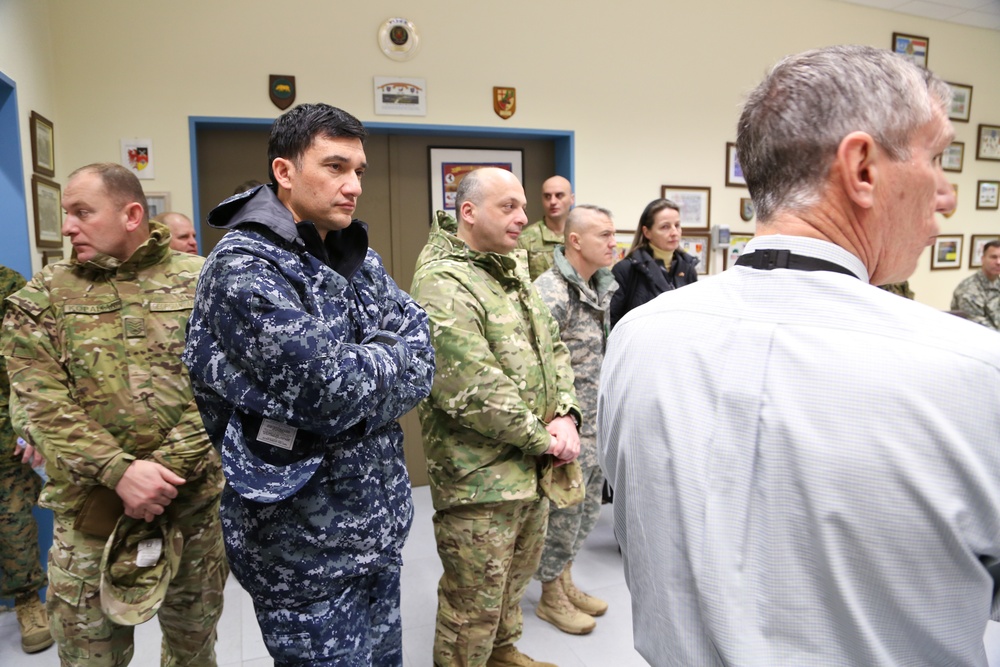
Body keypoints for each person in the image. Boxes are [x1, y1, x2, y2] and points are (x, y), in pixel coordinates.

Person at [598, 45, 1000, 667]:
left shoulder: (639, 339)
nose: (947, 196)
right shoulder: (976, 373)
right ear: (863, 168)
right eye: (937, 156)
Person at [183, 103, 435, 666]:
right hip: (302, 550)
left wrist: (368, 367)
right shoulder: (246, 267)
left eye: (360, 172)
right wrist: (381, 363)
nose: (353, 186)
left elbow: (424, 349)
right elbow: (333, 391)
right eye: (335, 167)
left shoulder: (350, 253)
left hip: (376, 529)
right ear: (285, 171)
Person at [1, 163, 226, 666]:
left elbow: (230, 388)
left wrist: (164, 470)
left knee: (194, 653)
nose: (68, 227)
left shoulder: (206, 280)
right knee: (89, 658)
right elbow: (38, 401)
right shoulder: (44, 296)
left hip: (189, 509)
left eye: (82, 212)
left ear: (131, 214)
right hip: (89, 518)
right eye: (66, 214)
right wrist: (120, 471)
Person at [411, 167, 581, 667]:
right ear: (468, 212)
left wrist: (567, 415)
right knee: (472, 609)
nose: (523, 218)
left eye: (522, 206)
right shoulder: (443, 280)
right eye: (508, 207)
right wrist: (545, 438)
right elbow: (470, 385)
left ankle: (503, 655)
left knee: (510, 587)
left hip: (530, 470)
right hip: (480, 479)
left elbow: (555, 348)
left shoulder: (509, 268)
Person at [532, 205, 618, 636]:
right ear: (575, 241)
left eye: (613, 234)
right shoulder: (550, 292)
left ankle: (564, 580)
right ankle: (550, 595)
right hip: (566, 427)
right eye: (603, 234)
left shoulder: (599, 286)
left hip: (596, 422)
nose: (613, 242)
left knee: (584, 514)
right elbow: (536, 365)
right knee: (562, 515)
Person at [0, 264, 52, 655]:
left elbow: (27, 360)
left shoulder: (8, 284)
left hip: (4, 433)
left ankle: (27, 603)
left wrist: (26, 422)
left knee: (15, 525)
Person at [609, 198, 698, 327]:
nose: (674, 232)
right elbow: (612, 321)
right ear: (647, 232)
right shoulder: (626, 269)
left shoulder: (688, 268)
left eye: (677, 225)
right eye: (665, 227)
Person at [516, 175, 575, 280]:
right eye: (547, 196)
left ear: (571, 199)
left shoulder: (583, 235)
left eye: (559, 195)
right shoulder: (525, 239)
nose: (552, 202)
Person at [951, 240, 1000, 329]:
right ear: (983, 259)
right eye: (993, 257)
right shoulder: (969, 290)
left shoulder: (997, 282)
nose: (998, 262)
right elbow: (979, 329)